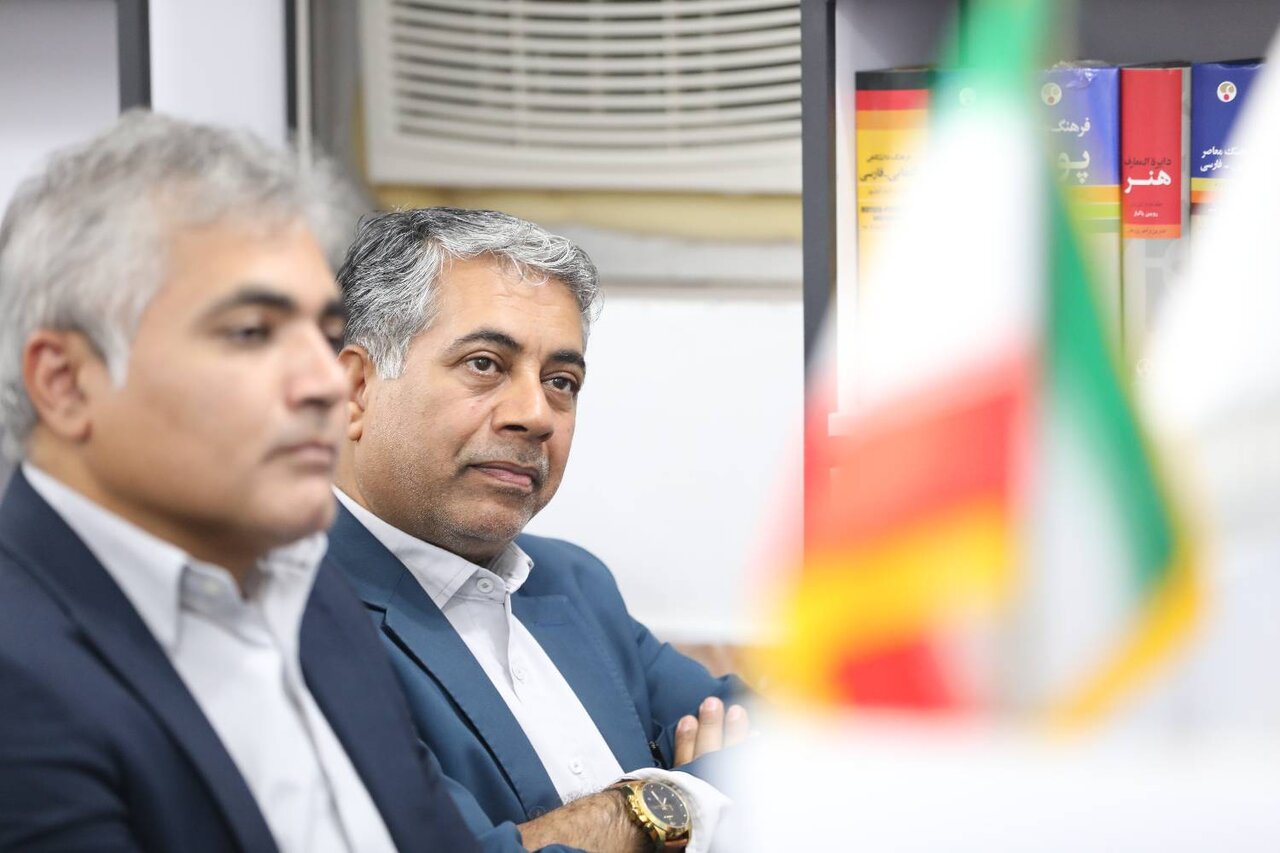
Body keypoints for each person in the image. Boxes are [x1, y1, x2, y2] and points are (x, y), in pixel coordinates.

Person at [0, 112, 480, 853]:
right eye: (252, 331)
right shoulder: (18, 670)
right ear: (65, 382)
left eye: (327, 335)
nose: (327, 382)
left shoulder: (308, 588)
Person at [329, 207, 752, 853]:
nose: (536, 414)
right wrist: (667, 802)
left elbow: (785, 749)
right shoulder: (300, 616)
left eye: (561, 381)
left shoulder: (572, 582)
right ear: (357, 388)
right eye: (484, 364)